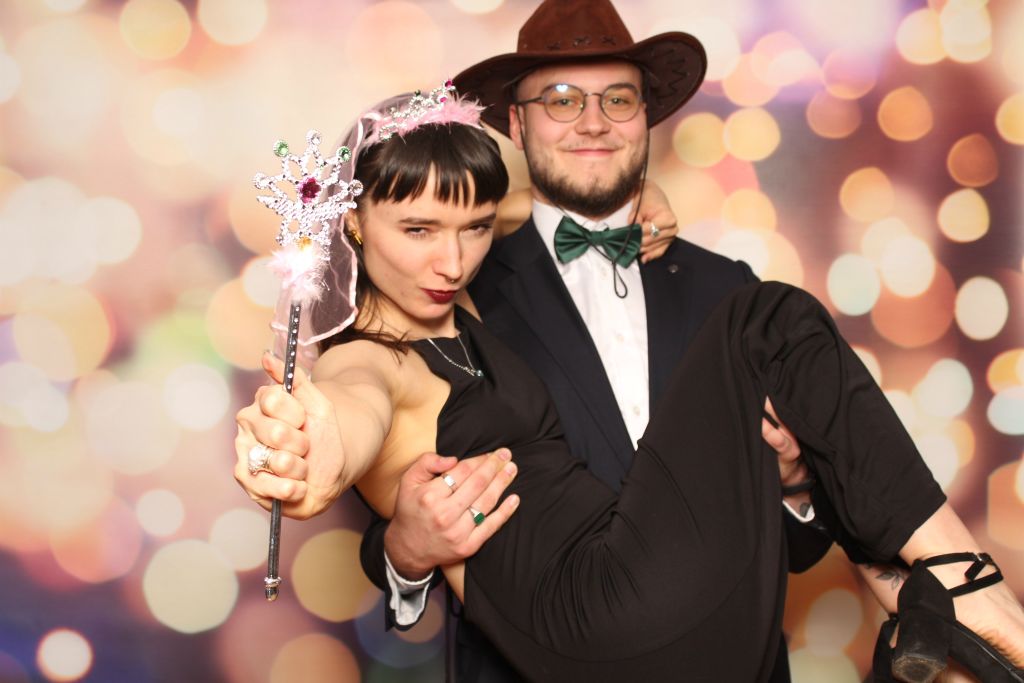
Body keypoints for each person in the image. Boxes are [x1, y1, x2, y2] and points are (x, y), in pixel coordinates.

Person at [234, 85, 1024, 682]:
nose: (452, 260)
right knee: (765, 318)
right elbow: (349, 413)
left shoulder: (458, 291)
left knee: (758, 315)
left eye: (472, 229)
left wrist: (619, 199)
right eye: (417, 232)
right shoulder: (368, 358)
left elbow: (493, 208)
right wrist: (306, 453)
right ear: (351, 223)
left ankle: (920, 597)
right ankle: (962, 588)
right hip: (599, 613)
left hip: (689, 615)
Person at [355, 2, 831, 680]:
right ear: (516, 124)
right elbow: (385, 459)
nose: (593, 121)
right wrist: (405, 552)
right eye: (561, 99)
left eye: (618, 98)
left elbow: (792, 550)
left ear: (644, 116)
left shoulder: (729, 292)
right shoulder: (452, 290)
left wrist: (795, 485)